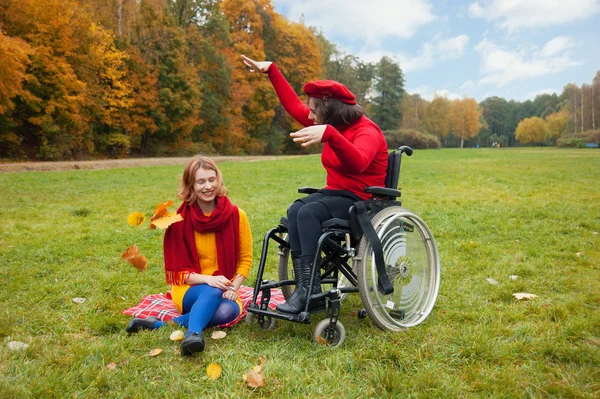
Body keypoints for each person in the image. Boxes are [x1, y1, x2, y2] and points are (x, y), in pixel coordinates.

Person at [241, 54, 388, 314]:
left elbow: (358, 163)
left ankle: (308, 291)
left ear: (328, 106)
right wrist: (272, 71)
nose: (308, 114)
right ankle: (308, 288)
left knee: (307, 212)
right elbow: (294, 107)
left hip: (362, 201)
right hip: (337, 195)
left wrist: (330, 136)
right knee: (295, 209)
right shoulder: (332, 124)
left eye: (313, 108)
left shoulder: (367, 131)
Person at [125, 156, 252, 356]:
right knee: (212, 290)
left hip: (225, 285)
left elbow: (245, 260)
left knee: (227, 311)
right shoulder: (179, 220)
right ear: (190, 186)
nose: (208, 186)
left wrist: (233, 288)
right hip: (189, 288)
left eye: (212, 179)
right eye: (201, 182)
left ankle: (159, 325)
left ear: (218, 180)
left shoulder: (238, 215)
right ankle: (193, 334)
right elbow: (180, 273)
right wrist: (210, 280)